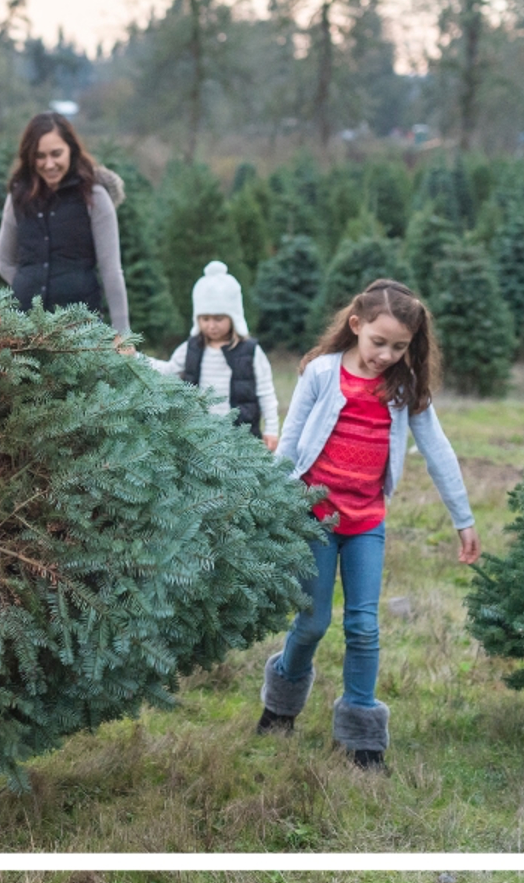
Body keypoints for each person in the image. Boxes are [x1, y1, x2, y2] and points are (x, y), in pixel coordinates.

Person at [257, 279, 480, 773]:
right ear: (356, 326)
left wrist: (462, 520)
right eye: (379, 342)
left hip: (366, 524)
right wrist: (265, 504)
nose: (387, 354)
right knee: (312, 622)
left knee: (363, 626)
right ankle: (280, 701)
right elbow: (290, 441)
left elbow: (438, 451)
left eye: (400, 347)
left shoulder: (404, 388)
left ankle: (362, 738)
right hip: (313, 517)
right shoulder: (321, 373)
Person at [0, 112, 129, 333]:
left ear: (71, 150)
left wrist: (122, 333)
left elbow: (111, 270)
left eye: (56, 154)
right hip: (26, 330)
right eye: (40, 156)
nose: (49, 164)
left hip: (81, 330)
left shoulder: (94, 197)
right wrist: (28, 285)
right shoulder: (17, 198)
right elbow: (4, 262)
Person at [158, 261, 280, 451]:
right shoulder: (191, 347)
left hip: (240, 438)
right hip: (199, 438)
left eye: (218, 319)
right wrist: (135, 358)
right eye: (205, 319)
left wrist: (272, 428)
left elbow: (265, 391)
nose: (211, 325)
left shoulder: (250, 350)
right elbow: (169, 370)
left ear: (233, 317)